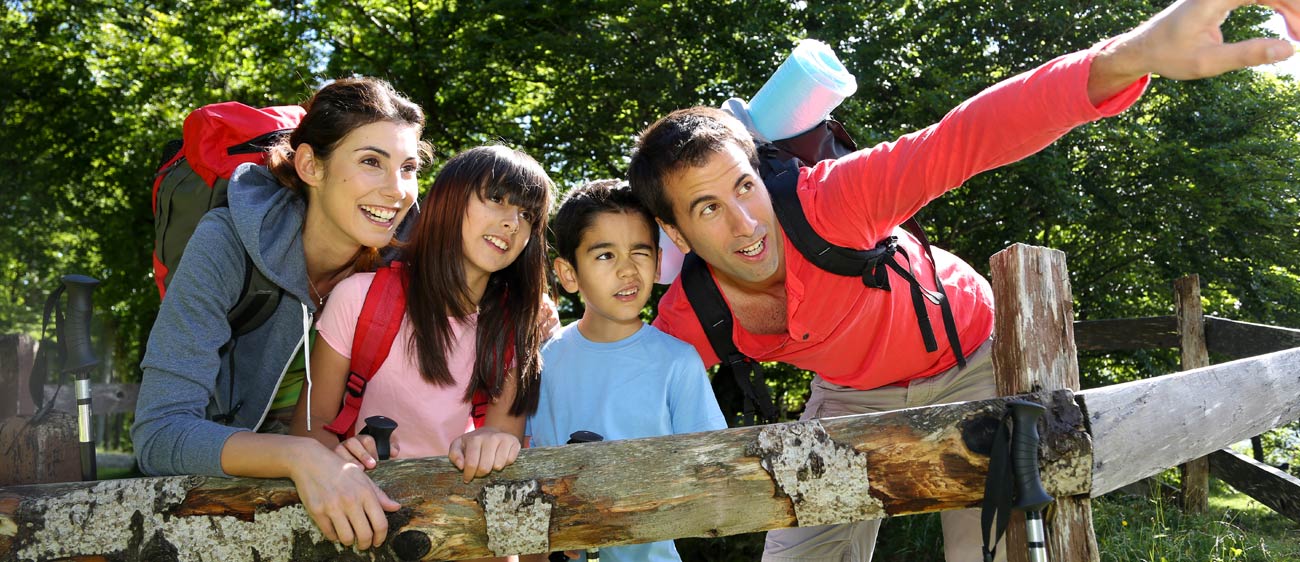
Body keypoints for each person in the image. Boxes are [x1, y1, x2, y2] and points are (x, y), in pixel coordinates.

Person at [625, 1, 1299, 561]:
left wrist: (1131, 54)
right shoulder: (692, 312)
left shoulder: (830, 199)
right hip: (850, 393)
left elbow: (966, 137)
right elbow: (618, 392)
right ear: (678, 235)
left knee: (993, 545)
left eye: (746, 187)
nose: (745, 225)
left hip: (975, 357)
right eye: (708, 208)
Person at [133, 77, 428, 551]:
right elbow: (159, 434)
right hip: (217, 497)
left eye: (409, 167)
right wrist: (302, 456)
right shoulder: (224, 243)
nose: (397, 191)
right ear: (311, 165)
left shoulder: (403, 262)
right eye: (371, 162)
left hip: (347, 480)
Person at [291, 145, 555, 562]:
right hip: (362, 532)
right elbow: (311, 425)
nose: (511, 222)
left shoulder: (514, 329)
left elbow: (501, 438)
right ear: (448, 200)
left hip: (464, 538)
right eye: (497, 200)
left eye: (528, 215)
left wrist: (492, 444)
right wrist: (338, 460)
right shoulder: (360, 298)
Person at [524, 179, 727, 562]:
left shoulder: (678, 362)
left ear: (658, 263)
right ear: (568, 274)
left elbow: (711, 472)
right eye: (604, 255)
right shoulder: (542, 362)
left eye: (640, 252)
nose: (627, 270)